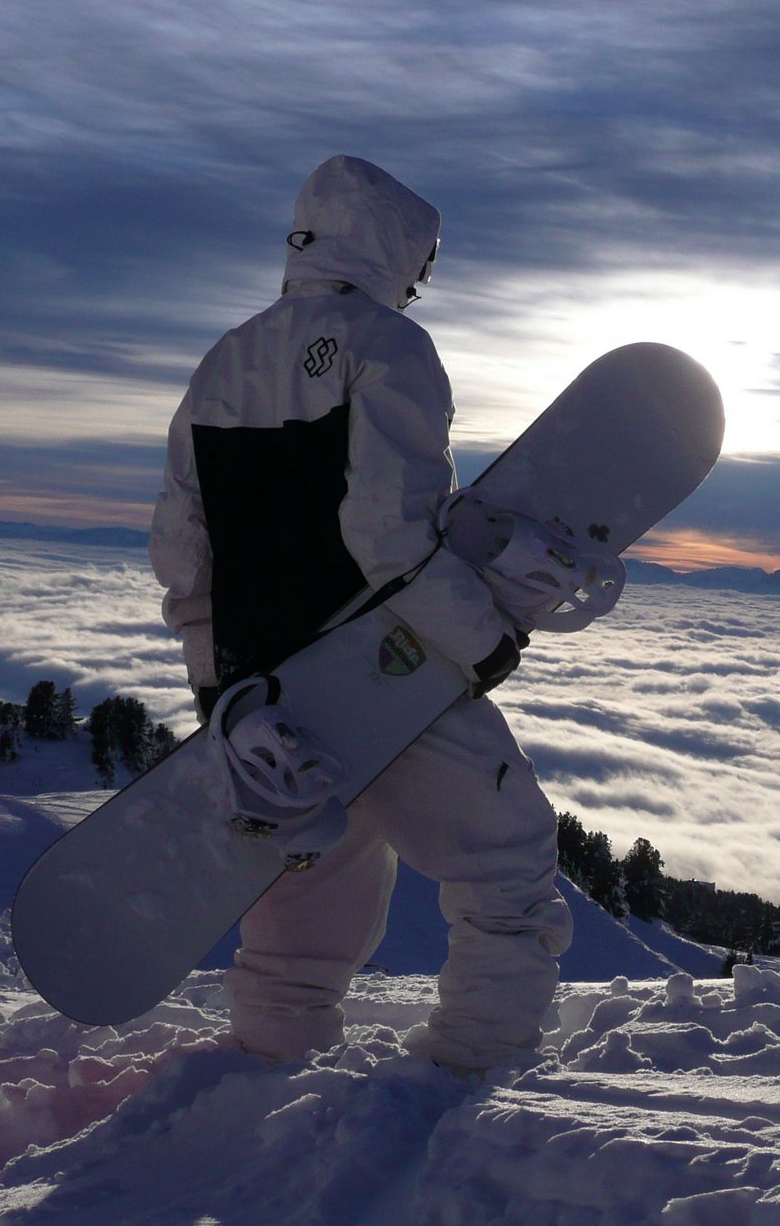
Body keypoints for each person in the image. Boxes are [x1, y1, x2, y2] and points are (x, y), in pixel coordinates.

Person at [149, 155, 573, 1073]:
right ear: (392, 249)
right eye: (419, 262)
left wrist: (221, 686)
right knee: (508, 867)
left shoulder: (224, 357)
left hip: (271, 691)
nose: (421, 282)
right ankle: (470, 1074)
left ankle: (265, 1073)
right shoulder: (389, 347)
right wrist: (485, 641)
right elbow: (387, 530)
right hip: (383, 662)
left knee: (310, 902)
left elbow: (183, 548)